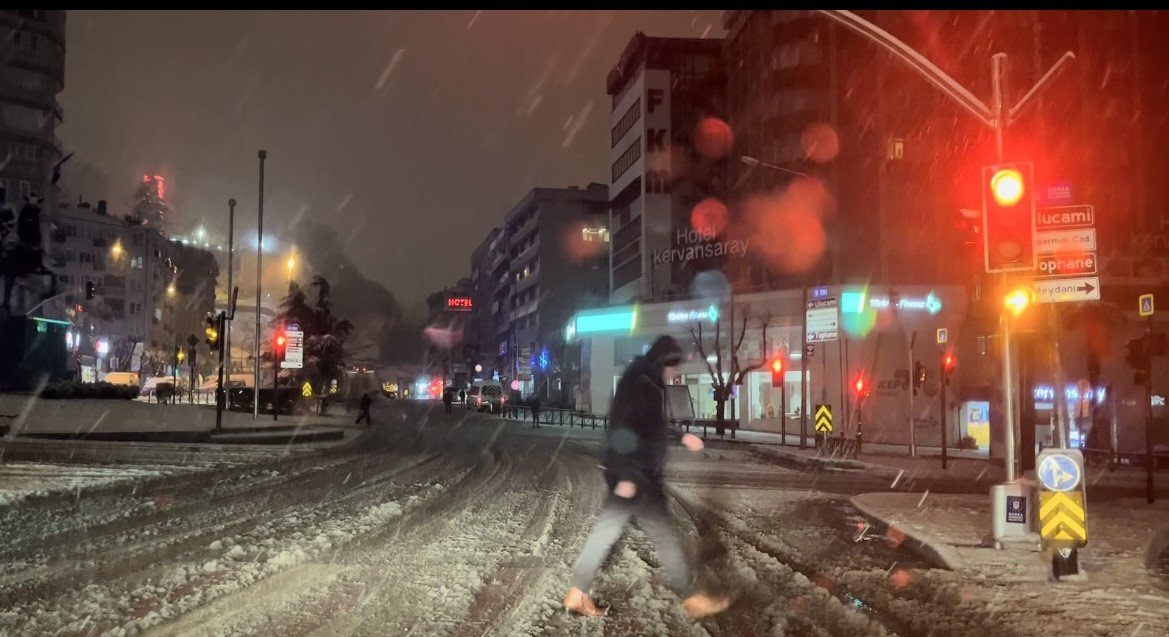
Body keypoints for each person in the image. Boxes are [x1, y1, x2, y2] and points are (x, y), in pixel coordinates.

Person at [563, 335, 730, 620]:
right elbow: (624, 426)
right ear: (663, 361)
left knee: (607, 534)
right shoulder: (642, 383)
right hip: (636, 476)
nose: (675, 373)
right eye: (674, 366)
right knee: (663, 537)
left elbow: (649, 427)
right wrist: (628, 473)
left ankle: (577, 593)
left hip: (635, 473)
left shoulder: (643, 380)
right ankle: (690, 598)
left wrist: (681, 437)